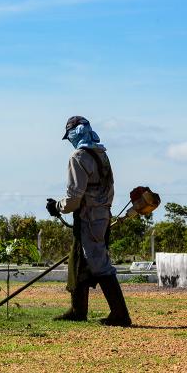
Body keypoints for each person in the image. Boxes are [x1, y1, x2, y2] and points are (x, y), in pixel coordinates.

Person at [46, 116, 132, 327]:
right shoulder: (102, 154)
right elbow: (109, 188)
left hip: (88, 217)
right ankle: (78, 310)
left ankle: (120, 314)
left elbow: (74, 197)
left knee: (99, 263)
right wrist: (104, 211)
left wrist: (57, 206)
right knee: (79, 260)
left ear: (74, 134)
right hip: (102, 215)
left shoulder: (78, 157)